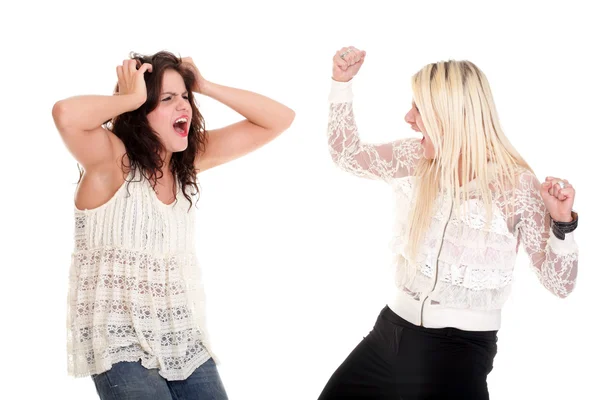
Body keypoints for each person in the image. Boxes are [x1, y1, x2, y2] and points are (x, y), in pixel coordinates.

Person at [318, 46, 579, 399]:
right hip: (391, 331)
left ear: (449, 115)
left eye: (420, 109)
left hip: (458, 352)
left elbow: (559, 284)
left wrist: (562, 225)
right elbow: (346, 156)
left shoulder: (514, 186)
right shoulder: (415, 158)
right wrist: (341, 84)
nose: (409, 118)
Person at [52, 51, 295, 399]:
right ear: (139, 112)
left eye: (185, 97)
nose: (184, 106)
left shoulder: (187, 163)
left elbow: (279, 119)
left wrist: (207, 86)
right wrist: (128, 97)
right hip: (120, 345)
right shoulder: (110, 162)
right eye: (167, 99)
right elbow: (65, 114)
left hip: (181, 337)